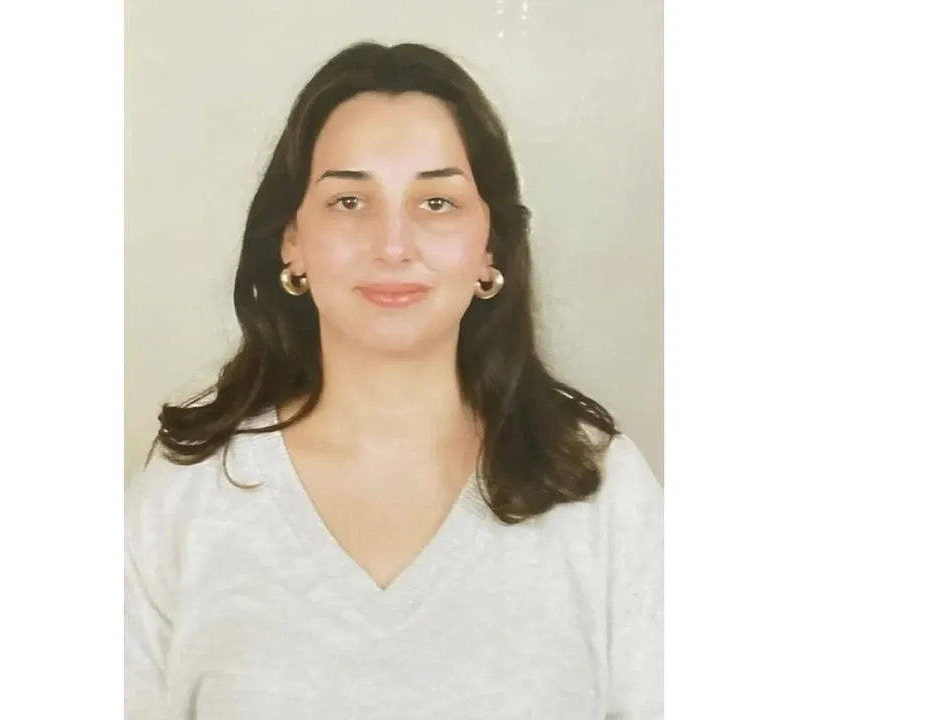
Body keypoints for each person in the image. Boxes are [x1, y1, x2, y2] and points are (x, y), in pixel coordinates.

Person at [125, 41, 663, 720]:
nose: (392, 245)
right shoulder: (189, 496)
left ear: (490, 246)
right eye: (349, 200)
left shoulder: (600, 491)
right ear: (292, 240)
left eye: (436, 202)